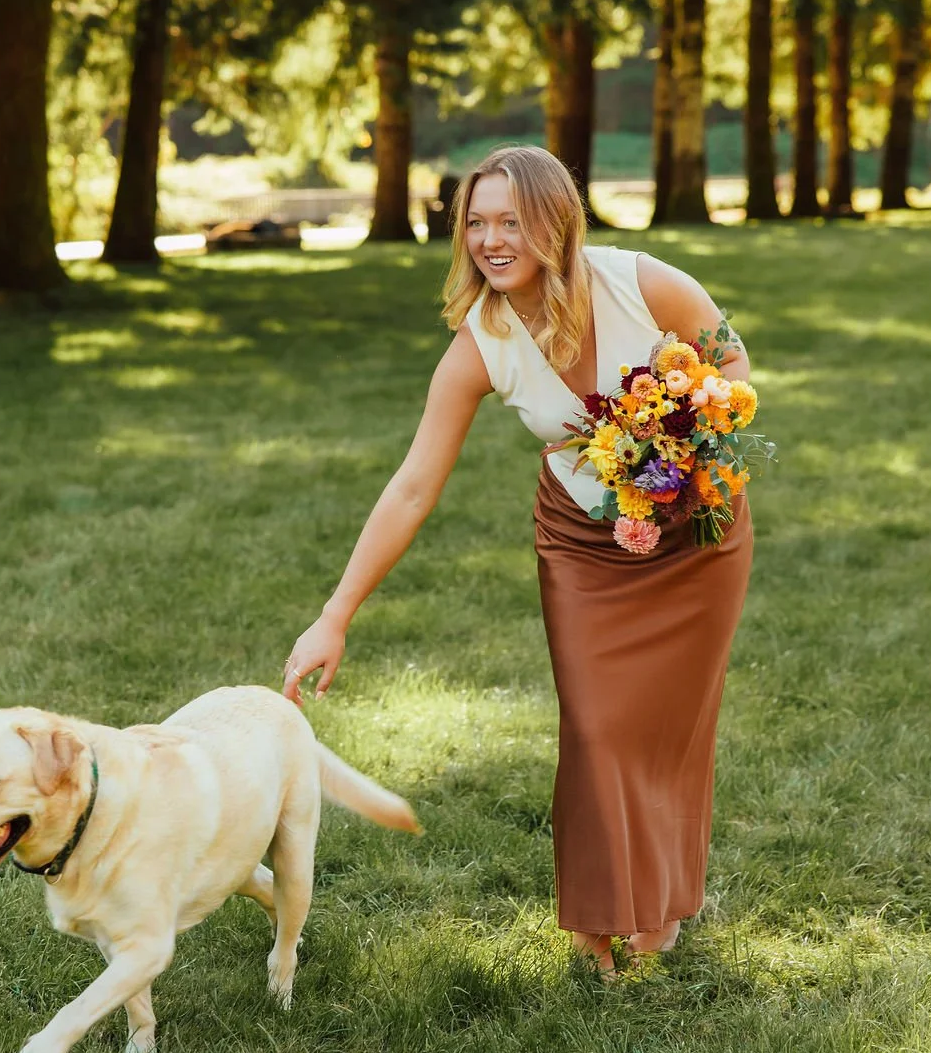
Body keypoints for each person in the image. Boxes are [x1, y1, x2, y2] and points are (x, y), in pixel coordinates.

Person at [281, 144, 755, 974]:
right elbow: (411, 487)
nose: (491, 240)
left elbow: (733, 365)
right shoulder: (482, 343)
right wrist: (335, 613)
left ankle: (664, 907)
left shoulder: (642, 283)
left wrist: (681, 440)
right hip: (582, 547)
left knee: (672, 727)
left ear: (555, 223)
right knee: (600, 727)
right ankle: (598, 922)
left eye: (511, 222)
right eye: (476, 223)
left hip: (693, 537)